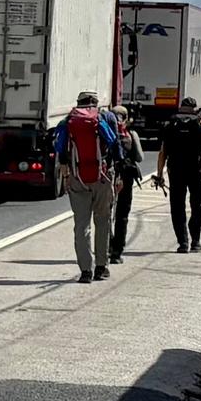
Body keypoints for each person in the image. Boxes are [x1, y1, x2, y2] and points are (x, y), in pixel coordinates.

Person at [56, 91, 117, 282]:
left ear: (78, 103)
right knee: (103, 221)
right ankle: (101, 267)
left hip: (77, 177)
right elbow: (115, 144)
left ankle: (85, 271)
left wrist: (66, 175)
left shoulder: (68, 121)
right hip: (102, 176)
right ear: (95, 103)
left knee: (81, 226)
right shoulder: (104, 117)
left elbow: (60, 149)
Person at [161, 106, 201, 251]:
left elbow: (163, 152)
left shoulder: (171, 126)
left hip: (176, 172)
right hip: (196, 172)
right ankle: (195, 241)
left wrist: (160, 174)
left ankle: (183, 242)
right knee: (198, 206)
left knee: (177, 207)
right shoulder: (200, 124)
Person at [107, 102, 143, 263]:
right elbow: (139, 157)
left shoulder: (105, 133)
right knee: (122, 215)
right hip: (126, 178)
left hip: (108, 177)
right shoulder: (130, 134)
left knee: (105, 215)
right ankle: (117, 252)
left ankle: (107, 246)